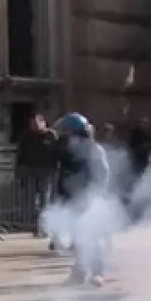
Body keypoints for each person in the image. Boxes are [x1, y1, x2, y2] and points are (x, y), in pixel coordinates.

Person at [54, 112, 110, 285]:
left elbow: (102, 175)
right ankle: (79, 272)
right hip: (73, 199)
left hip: (90, 199)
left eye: (68, 131)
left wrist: (93, 196)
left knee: (92, 236)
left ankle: (97, 272)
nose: (65, 135)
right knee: (78, 238)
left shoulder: (94, 150)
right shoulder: (68, 150)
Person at [16, 114, 58, 239]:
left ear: (43, 123)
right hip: (31, 171)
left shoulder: (51, 135)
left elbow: (58, 151)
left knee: (45, 200)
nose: (34, 126)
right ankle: (35, 226)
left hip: (47, 172)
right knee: (31, 201)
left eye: (36, 123)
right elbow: (20, 154)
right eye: (32, 124)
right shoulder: (26, 137)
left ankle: (45, 227)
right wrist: (19, 169)